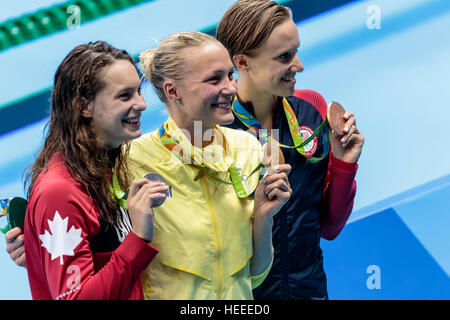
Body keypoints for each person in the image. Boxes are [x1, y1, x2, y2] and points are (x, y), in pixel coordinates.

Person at [125, 30, 292, 299]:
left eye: (230, 75)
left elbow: (255, 275)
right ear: (173, 90)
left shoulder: (247, 148)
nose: (230, 88)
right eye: (214, 79)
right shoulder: (133, 161)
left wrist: (262, 217)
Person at [216, 0, 365, 299]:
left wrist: (343, 164)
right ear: (243, 62)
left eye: (296, 51)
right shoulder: (213, 132)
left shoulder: (311, 111)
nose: (299, 65)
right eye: (284, 57)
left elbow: (329, 227)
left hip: (309, 290)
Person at [20, 41, 166, 300]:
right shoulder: (60, 192)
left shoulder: (107, 164)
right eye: (125, 96)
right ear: (85, 106)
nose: (141, 104)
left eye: (139, 91)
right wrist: (138, 238)